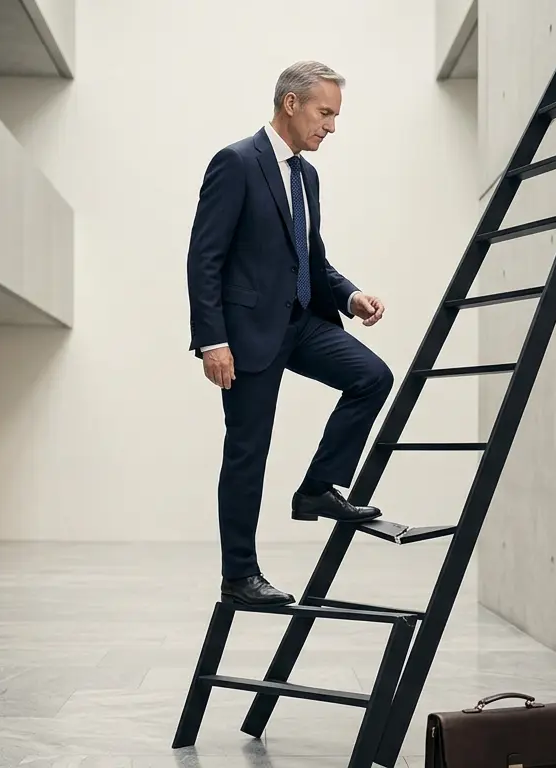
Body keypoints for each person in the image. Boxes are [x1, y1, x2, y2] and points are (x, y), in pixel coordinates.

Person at [185, 61, 394, 607]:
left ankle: (317, 489)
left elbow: (310, 257)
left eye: (335, 116)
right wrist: (212, 341)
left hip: (302, 322)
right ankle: (239, 576)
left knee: (372, 377)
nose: (331, 126)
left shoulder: (307, 176)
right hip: (247, 335)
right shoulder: (236, 162)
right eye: (325, 113)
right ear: (291, 103)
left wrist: (350, 295)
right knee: (248, 453)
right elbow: (204, 258)